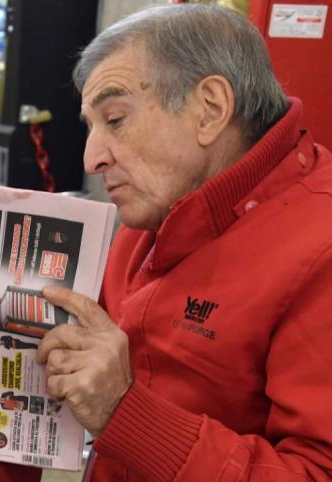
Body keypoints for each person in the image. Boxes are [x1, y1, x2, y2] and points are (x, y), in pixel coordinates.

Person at [35, 4, 332, 480]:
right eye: (90, 126)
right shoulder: (151, 210)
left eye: (115, 119)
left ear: (210, 109)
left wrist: (124, 411)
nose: (92, 158)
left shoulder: (320, 249)